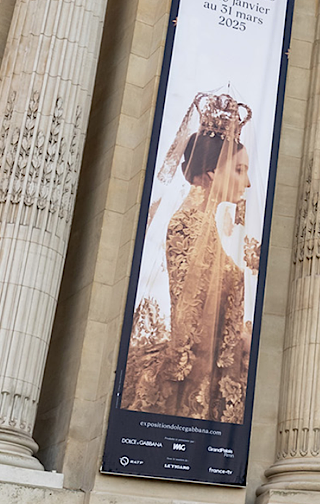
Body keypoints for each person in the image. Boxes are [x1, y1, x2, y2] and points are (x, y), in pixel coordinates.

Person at [122, 92, 258, 423]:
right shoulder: (190, 222)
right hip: (198, 373)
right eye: (239, 170)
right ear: (212, 172)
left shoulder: (209, 222)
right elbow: (190, 317)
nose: (249, 182)